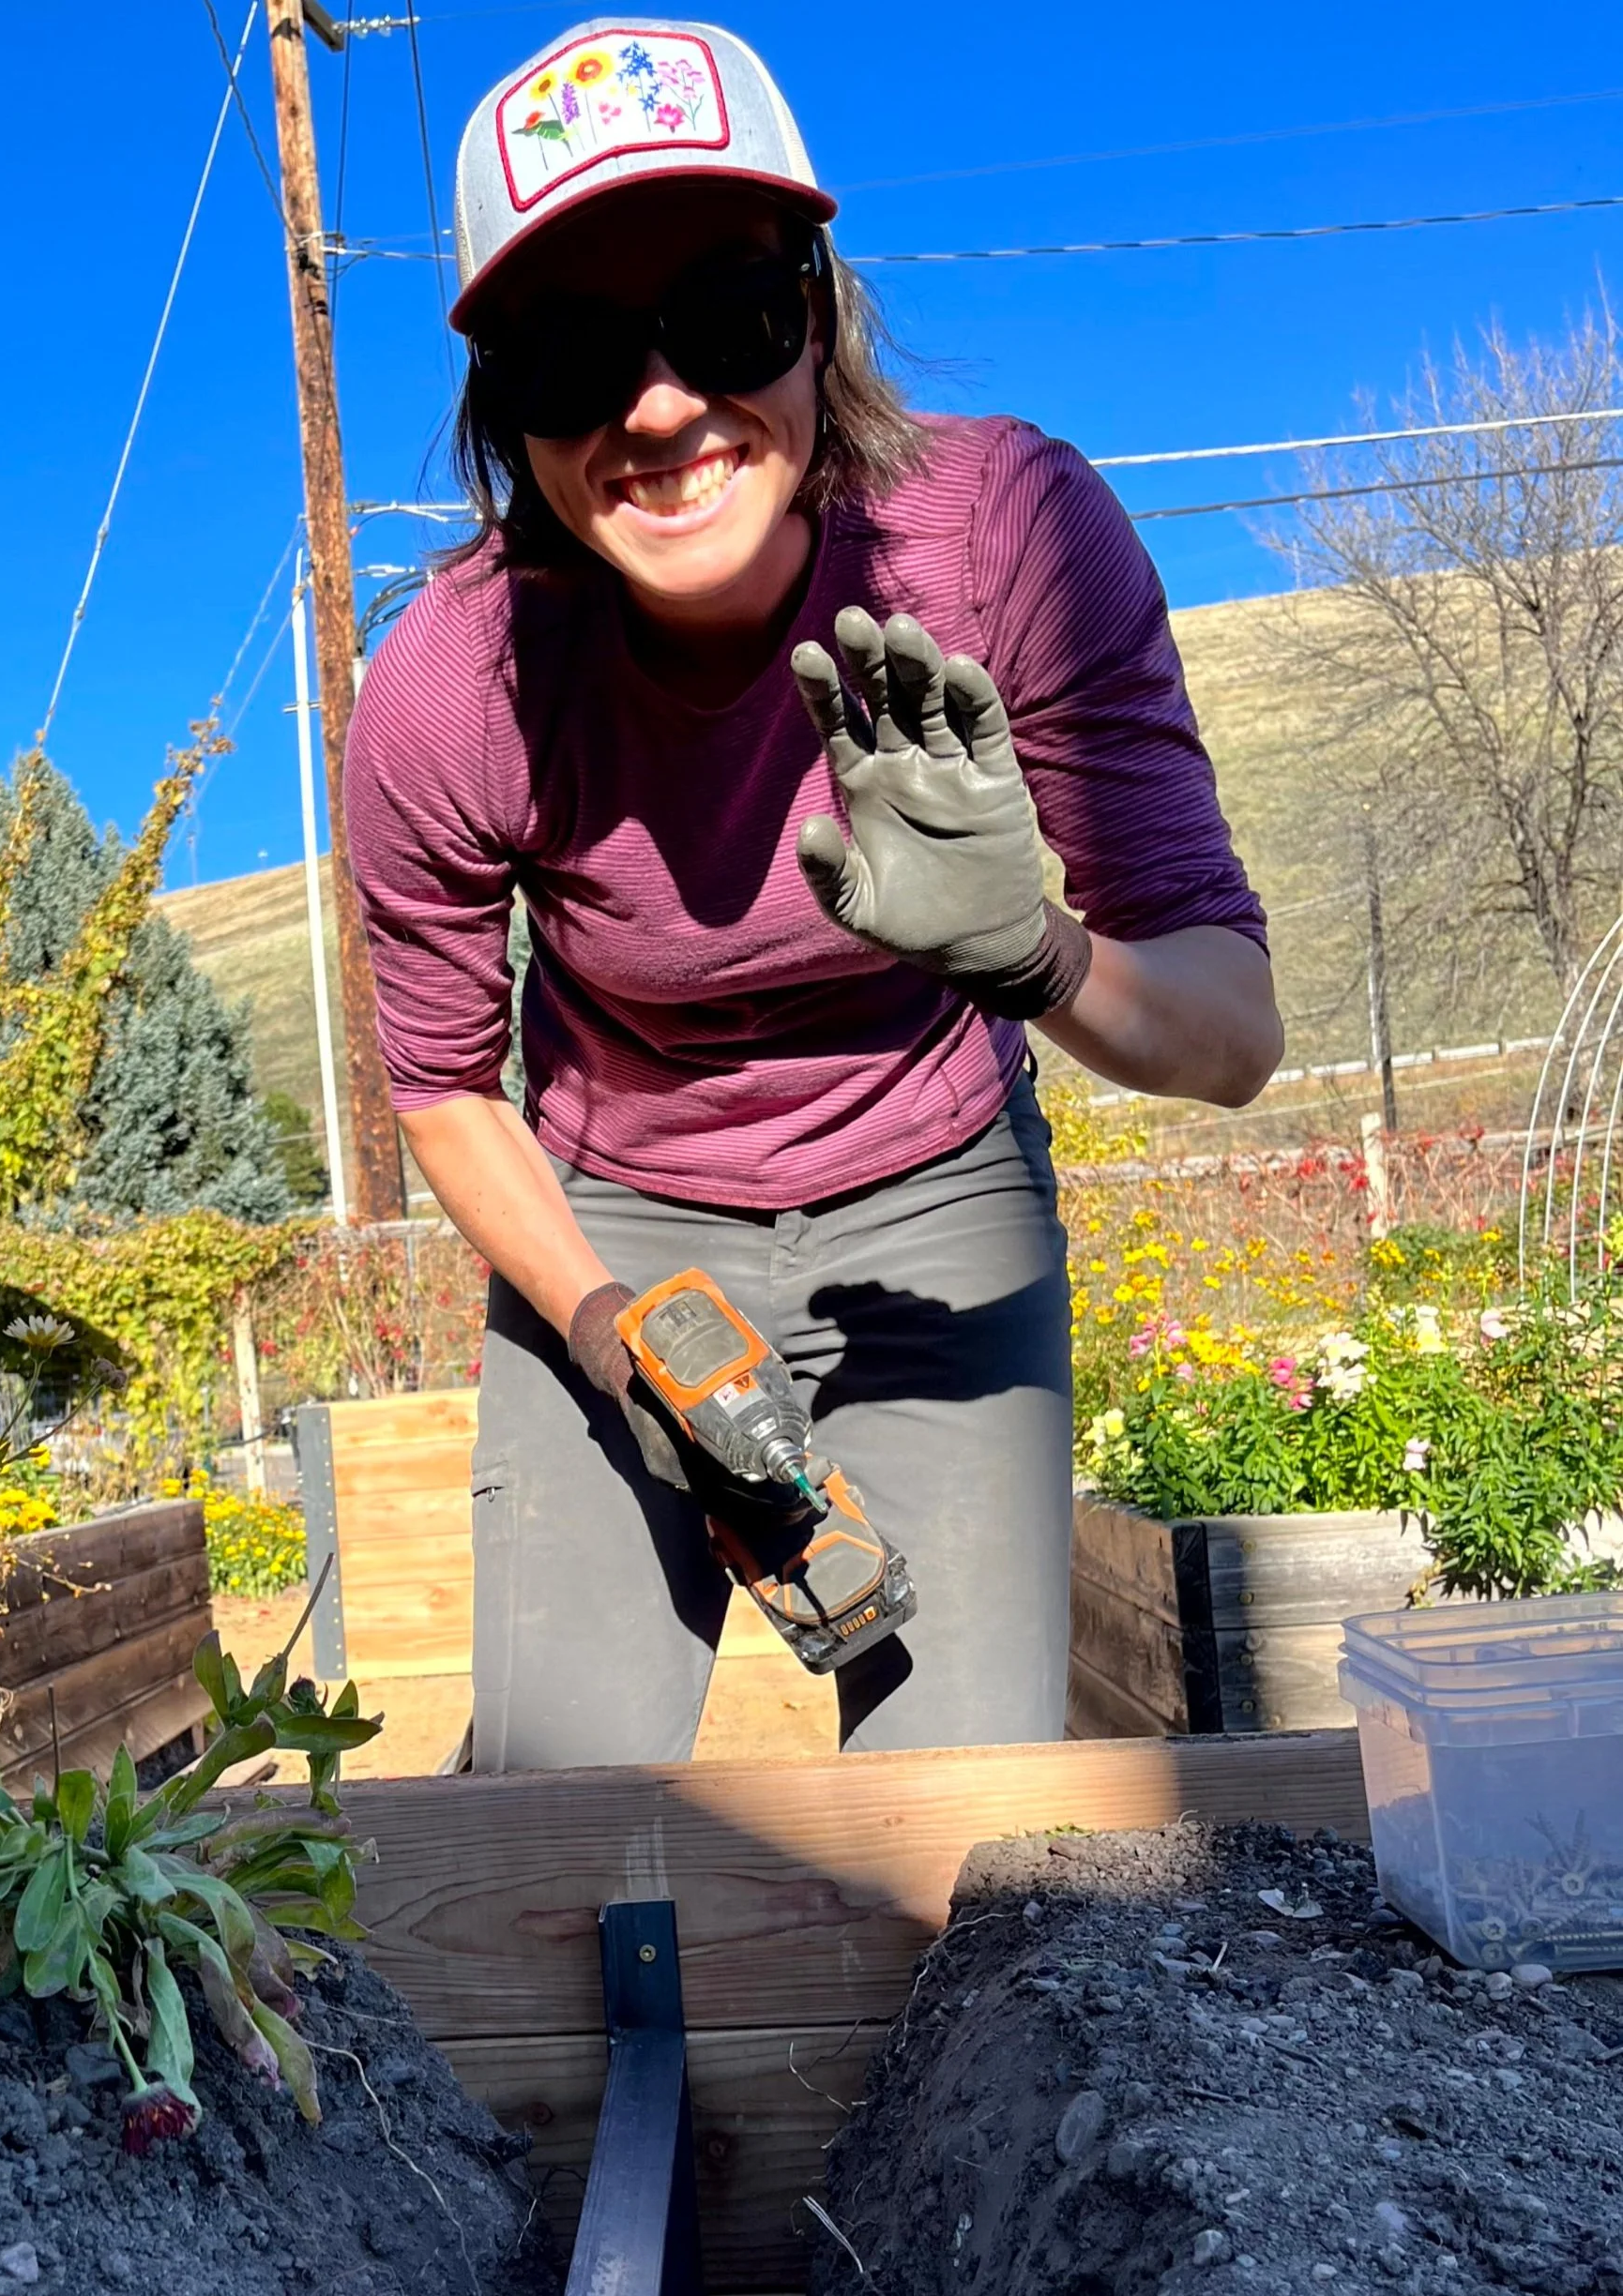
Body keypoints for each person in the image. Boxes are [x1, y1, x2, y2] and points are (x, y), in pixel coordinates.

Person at [341, 17, 1280, 1768]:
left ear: (821, 310)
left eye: (728, 316)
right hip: (615, 1225)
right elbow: (445, 1091)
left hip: (940, 1201)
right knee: (558, 1812)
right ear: (501, 415)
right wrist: (610, 1333)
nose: (663, 406)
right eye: (570, 359)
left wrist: (1034, 954)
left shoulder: (1009, 540)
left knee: (967, 1825)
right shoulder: (449, 688)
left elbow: (1231, 1038)